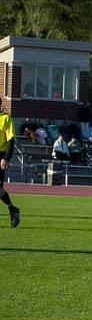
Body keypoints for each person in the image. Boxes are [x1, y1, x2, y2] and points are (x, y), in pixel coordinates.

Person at [0, 96, 21, 227]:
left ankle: (12, 209)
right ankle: (13, 209)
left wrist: (6, 158)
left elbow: (11, 141)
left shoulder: (6, 119)